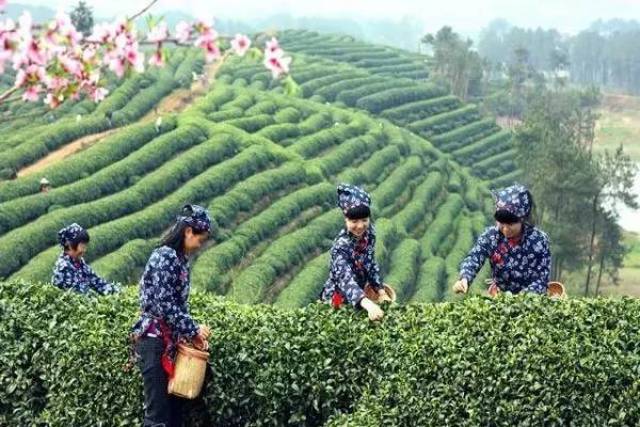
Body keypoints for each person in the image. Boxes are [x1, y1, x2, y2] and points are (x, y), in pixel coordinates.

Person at [131, 204, 212, 427]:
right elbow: (164, 304)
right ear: (188, 231)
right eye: (200, 239)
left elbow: (179, 305)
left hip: (170, 343)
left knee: (174, 414)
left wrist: (191, 333)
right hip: (154, 342)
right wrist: (193, 328)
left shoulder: (180, 259)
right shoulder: (164, 257)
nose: (199, 245)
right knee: (157, 414)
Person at [453, 183, 551, 296]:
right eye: (501, 223)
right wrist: (465, 278)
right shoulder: (491, 236)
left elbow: (542, 279)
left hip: (532, 299)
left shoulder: (538, 240)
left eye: (510, 224)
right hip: (501, 297)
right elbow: (475, 257)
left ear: (522, 219)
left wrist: (520, 300)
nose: (505, 229)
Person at [321, 184, 392, 321]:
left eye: (364, 220)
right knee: (337, 322)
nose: (360, 226)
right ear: (345, 219)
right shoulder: (340, 247)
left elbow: (370, 264)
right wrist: (368, 305)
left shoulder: (369, 234)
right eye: (354, 221)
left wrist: (381, 291)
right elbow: (345, 280)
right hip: (338, 297)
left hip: (360, 296)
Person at [51, 223, 120, 295]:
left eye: (85, 246)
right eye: (82, 246)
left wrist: (116, 291)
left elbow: (97, 282)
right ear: (70, 245)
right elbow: (78, 294)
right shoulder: (63, 267)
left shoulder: (80, 263)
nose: (84, 250)